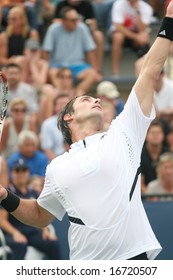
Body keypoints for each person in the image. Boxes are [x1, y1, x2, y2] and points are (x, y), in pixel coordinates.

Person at [1, 0, 173, 260]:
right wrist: (4, 196)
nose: (97, 100)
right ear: (68, 117)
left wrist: (168, 23)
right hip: (85, 267)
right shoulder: (56, 166)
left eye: (97, 99)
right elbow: (39, 215)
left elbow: (149, 71)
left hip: (134, 261)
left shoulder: (124, 133)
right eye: (86, 99)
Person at [0, 158, 60, 260]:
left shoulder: (32, 192)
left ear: (28, 172)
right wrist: (15, 233)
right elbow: (2, 220)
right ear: (12, 173)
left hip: (31, 230)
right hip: (14, 230)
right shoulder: (6, 193)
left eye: (24, 170)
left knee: (52, 243)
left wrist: (45, 230)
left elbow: (40, 212)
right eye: (17, 170)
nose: (21, 173)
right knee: (20, 245)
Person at [42, 6, 101, 95]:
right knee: (51, 72)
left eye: (76, 19)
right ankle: (62, 95)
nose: (76, 22)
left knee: (92, 74)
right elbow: (46, 51)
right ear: (64, 21)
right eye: (72, 20)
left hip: (78, 65)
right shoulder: (53, 29)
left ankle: (77, 94)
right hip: (58, 65)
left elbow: (90, 51)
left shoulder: (82, 28)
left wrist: (95, 70)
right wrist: (45, 69)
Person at [53, 0, 104, 72]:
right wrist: (70, 22)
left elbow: (94, 25)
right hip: (65, 32)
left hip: (84, 32)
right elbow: (55, 22)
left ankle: (97, 68)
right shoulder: (61, 5)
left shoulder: (87, 5)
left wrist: (83, 25)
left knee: (98, 35)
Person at [110, 0, 153, 76]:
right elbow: (118, 27)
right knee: (118, 37)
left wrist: (137, 12)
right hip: (119, 35)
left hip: (135, 37)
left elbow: (142, 29)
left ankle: (146, 71)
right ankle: (115, 71)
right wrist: (136, 37)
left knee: (144, 37)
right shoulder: (119, 4)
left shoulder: (146, 8)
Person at [140, 119, 170, 193]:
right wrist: (151, 196)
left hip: (168, 196)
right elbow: (140, 184)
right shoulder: (140, 155)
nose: (156, 135)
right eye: (153, 133)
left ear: (163, 135)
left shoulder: (169, 154)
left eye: (159, 133)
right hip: (145, 197)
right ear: (146, 135)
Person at [40, 94, 70, 161]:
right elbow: (47, 149)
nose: (63, 107)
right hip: (56, 161)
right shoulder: (47, 124)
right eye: (60, 104)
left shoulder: (77, 122)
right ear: (55, 107)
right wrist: (58, 165)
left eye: (65, 104)